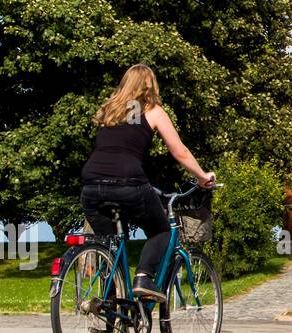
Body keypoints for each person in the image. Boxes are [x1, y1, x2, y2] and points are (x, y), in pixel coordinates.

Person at [80, 64, 215, 302]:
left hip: (91, 186)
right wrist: (203, 177)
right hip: (128, 183)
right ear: (149, 86)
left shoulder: (107, 112)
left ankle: (112, 313)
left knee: (109, 247)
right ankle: (144, 277)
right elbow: (180, 152)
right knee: (161, 231)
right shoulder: (152, 111)